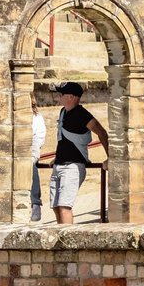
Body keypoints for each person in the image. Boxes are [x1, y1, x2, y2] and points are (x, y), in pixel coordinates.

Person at [47, 81, 109, 224]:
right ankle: (60, 237)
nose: (59, 97)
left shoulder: (82, 114)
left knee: (64, 206)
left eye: (62, 94)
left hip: (73, 167)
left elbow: (101, 132)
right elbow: (63, 139)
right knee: (56, 206)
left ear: (71, 97)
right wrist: (57, 157)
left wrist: (110, 157)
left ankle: (66, 243)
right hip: (59, 165)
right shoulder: (63, 112)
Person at [27, 92, 48, 223]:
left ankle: (35, 203)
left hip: (30, 151)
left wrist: (32, 155)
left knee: (30, 165)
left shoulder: (36, 118)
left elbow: (38, 138)